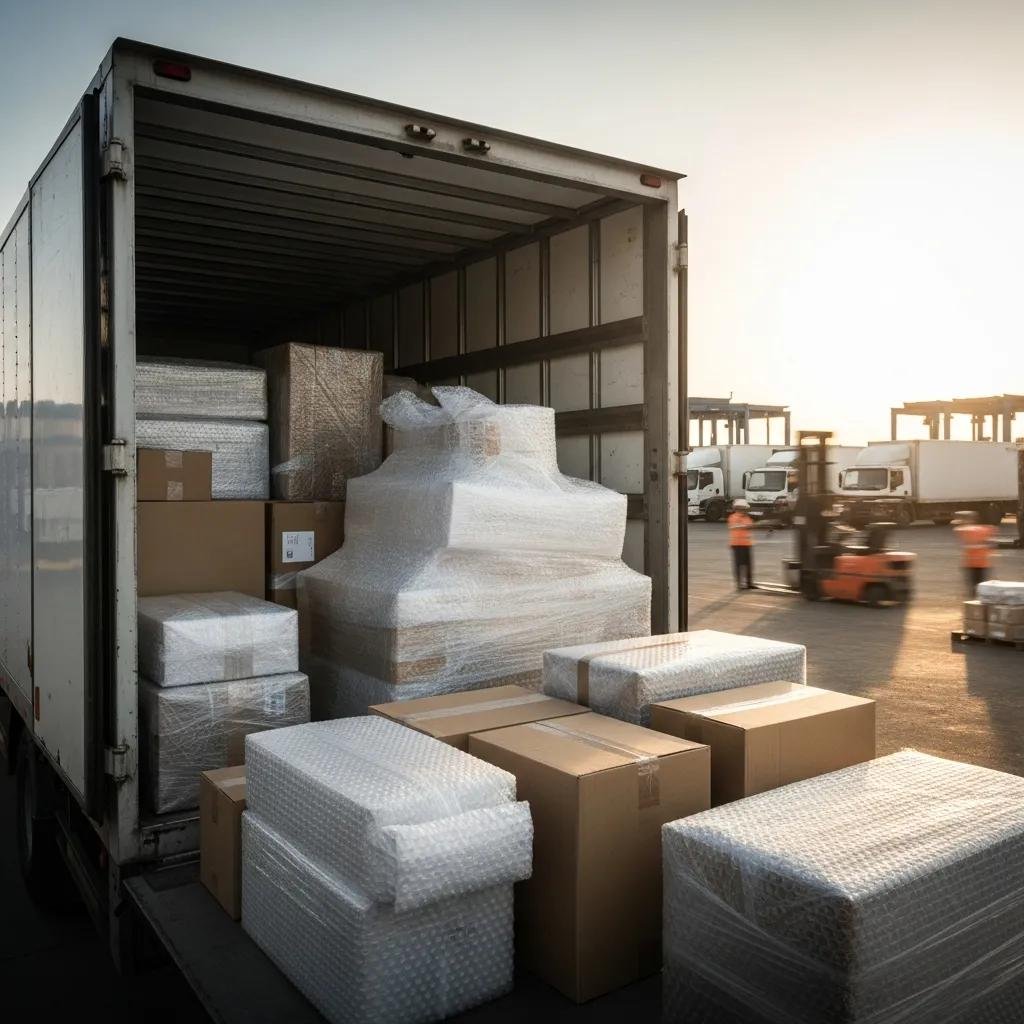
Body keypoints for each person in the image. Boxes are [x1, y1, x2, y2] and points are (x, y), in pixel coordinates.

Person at [953, 510, 996, 595]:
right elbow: (991, 544)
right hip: (980, 564)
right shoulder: (986, 529)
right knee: (980, 588)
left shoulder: (966, 530)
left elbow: (958, 530)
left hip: (974, 564)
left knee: (974, 589)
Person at [728, 499, 755, 590]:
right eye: (743, 508)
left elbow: (750, 526)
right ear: (738, 508)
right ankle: (739, 584)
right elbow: (734, 526)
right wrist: (744, 526)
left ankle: (749, 583)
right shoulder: (733, 517)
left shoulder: (747, 518)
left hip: (747, 544)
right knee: (739, 565)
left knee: (748, 564)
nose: (744, 510)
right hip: (737, 545)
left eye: (745, 508)